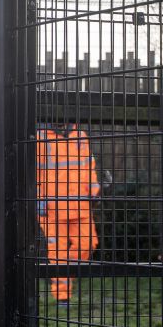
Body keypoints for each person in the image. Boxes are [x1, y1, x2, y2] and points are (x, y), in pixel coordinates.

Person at [36, 125, 100, 305]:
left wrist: (94, 191)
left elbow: (89, 166)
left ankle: (65, 274)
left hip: (80, 204)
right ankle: (62, 296)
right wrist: (38, 198)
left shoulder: (80, 135)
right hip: (52, 209)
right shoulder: (41, 137)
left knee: (88, 244)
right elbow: (34, 171)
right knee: (58, 252)